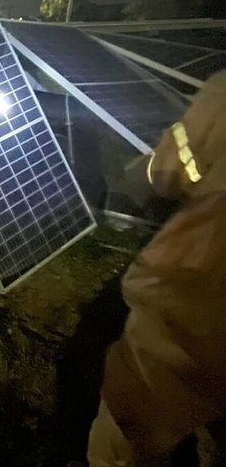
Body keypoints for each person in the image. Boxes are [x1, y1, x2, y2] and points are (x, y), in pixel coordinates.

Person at [87, 70, 226, 465]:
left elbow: (167, 170)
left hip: (189, 321)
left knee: (121, 443)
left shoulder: (222, 96)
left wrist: (142, 176)